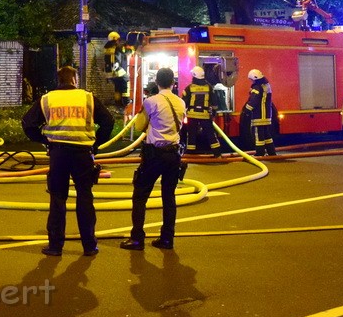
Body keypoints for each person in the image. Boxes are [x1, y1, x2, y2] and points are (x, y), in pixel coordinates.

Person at [22, 65, 115, 257]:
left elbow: (28, 123)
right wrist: (96, 143)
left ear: (59, 80)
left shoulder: (48, 99)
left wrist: (43, 139)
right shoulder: (87, 97)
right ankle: (89, 245)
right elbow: (108, 121)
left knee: (58, 199)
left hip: (58, 154)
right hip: (83, 154)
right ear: (75, 80)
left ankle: (55, 246)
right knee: (85, 197)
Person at [121, 67, 186, 251]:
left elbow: (141, 125)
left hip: (154, 155)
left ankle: (137, 239)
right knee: (169, 197)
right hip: (174, 154)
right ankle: (167, 238)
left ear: (157, 82)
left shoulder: (151, 102)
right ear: (173, 83)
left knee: (140, 196)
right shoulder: (181, 102)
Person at [183, 66, 222, 158]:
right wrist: (214, 112)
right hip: (205, 115)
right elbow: (215, 103)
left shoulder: (189, 88)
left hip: (192, 115)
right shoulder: (209, 87)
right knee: (211, 134)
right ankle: (217, 153)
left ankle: (190, 154)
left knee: (191, 134)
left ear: (194, 76)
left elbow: (184, 102)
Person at [244, 69, 277, 156]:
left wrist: (247, 110)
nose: (251, 81)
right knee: (266, 135)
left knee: (258, 134)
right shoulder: (266, 85)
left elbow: (254, 100)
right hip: (266, 115)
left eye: (251, 79)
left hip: (259, 115)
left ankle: (260, 153)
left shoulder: (257, 87)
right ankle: (271, 152)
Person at [103, 31, 130, 108]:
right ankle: (126, 102)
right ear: (115, 39)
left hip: (109, 72)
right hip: (116, 70)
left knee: (117, 88)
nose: (119, 41)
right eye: (118, 39)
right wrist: (133, 49)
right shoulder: (117, 46)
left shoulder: (106, 47)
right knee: (126, 79)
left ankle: (118, 103)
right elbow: (126, 51)